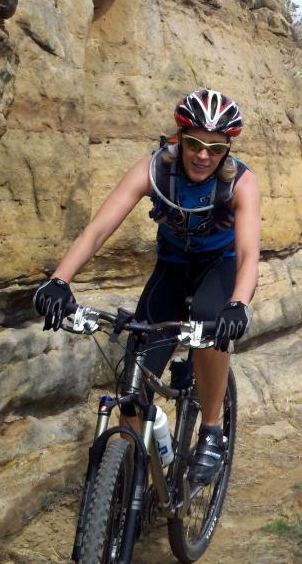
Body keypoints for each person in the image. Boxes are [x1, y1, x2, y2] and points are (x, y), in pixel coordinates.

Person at [33, 89, 261, 485]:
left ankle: (210, 431)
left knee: (210, 325)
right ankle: (127, 485)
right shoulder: (155, 169)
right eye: (194, 144)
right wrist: (59, 280)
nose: (203, 156)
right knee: (135, 376)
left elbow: (247, 254)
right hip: (172, 267)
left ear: (227, 149)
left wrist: (238, 303)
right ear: (180, 139)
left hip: (218, 268)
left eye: (215, 148)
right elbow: (98, 229)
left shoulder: (240, 182)